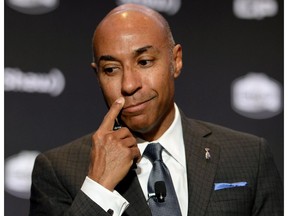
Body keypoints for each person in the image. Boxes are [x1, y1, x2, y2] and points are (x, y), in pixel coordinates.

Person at [29, 3, 283, 216]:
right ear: (97, 76)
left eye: (144, 62)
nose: (129, 85)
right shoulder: (58, 170)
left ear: (176, 61)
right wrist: (98, 187)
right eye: (111, 69)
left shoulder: (250, 157)